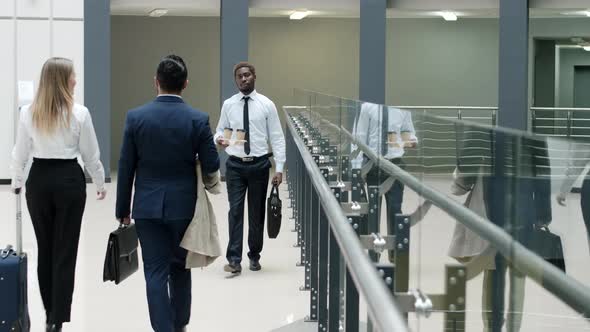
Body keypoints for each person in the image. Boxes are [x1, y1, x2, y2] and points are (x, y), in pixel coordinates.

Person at [115, 55, 219, 332]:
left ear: (155, 82)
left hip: (147, 208)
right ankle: (180, 324)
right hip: (184, 207)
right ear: (185, 84)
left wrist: (122, 210)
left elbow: (125, 167)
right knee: (180, 268)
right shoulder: (198, 119)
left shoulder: (136, 117)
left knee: (155, 272)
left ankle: (163, 328)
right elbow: (212, 164)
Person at [10, 57, 106, 332]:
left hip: (39, 181)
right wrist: (99, 182)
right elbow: (91, 154)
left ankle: (50, 310)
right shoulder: (79, 113)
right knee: (65, 251)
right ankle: (57, 319)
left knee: (46, 249)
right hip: (68, 181)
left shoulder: (29, 112)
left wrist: (17, 180)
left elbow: (20, 152)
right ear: (64, 80)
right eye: (73, 75)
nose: (76, 79)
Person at [214, 62, 286, 274]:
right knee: (235, 212)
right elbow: (219, 130)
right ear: (235, 80)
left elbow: (277, 137)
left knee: (256, 214)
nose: (243, 79)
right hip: (235, 165)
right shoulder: (229, 104)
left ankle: (254, 255)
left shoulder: (266, 105)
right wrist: (219, 139)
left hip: (259, 165)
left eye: (247, 75)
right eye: (239, 76)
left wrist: (279, 168)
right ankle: (234, 259)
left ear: (254, 76)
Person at [352, 102, 417, 262]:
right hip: (374, 163)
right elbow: (359, 137)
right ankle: (373, 252)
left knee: (395, 208)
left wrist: (410, 141)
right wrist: (356, 168)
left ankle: (394, 253)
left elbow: (408, 132)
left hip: (395, 164)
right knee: (374, 210)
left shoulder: (403, 107)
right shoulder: (368, 107)